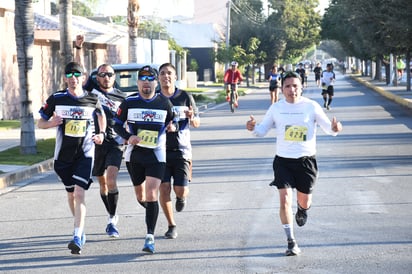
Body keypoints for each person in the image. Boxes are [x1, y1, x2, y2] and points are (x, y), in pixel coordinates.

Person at [245, 71, 342, 256]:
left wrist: (336, 128)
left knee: (304, 201)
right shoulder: (276, 108)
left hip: (306, 162)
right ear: (281, 89)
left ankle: (302, 210)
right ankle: (291, 241)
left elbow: (329, 129)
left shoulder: (311, 106)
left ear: (301, 87)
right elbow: (262, 130)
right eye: (288, 86)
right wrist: (252, 128)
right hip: (283, 162)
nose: (292, 90)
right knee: (284, 200)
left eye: (295, 86)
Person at [38, 61, 106, 255]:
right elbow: (40, 122)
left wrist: (101, 134)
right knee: (71, 194)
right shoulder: (57, 98)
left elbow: (101, 116)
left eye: (77, 75)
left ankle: (77, 235)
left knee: (79, 193)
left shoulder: (92, 99)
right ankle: (80, 226)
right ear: (65, 78)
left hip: (85, 153)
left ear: (83, 78)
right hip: (63, 156)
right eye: (69, 75)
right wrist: (51, 123)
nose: (73, 79)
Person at [113, 65, 177, 254]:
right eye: (143, 79)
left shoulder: (165, 103)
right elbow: (116, 125)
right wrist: (127, 136)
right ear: (138, 82)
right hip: (134, 155)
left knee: (151, 193)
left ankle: (149, 237)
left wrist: (172, 127)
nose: (146, 82)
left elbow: (172, 121)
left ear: (156, 83)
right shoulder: (129, 102)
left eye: (150, 79)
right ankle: (152, 210)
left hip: (156, 155)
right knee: (141, 196)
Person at [75, 35, 128, 238]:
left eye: (110, 74)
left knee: (112, 179)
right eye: (102, 74)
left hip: (115, 143)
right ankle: (111, 213)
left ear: (114, 77)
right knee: (103, 183)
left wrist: (129, 137)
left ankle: (112, 219)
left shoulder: (122, 97)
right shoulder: (92, 89)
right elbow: (79, 71)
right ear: (97, 77)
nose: (106, 77)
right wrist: (79, 48)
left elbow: (130, 120)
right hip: (94, 143)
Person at [157, 63, 200, 239]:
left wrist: (192, 117)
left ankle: (181, 198)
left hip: (182, 150)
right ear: (158, 77)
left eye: (169, 73)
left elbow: (197, 122)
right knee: (164, 187)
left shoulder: (184, 96)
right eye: (162, 73)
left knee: (180, 189)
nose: (166, 76)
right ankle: (171, 225)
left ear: (175, 77)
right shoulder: (155, 98)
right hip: (160, 149)